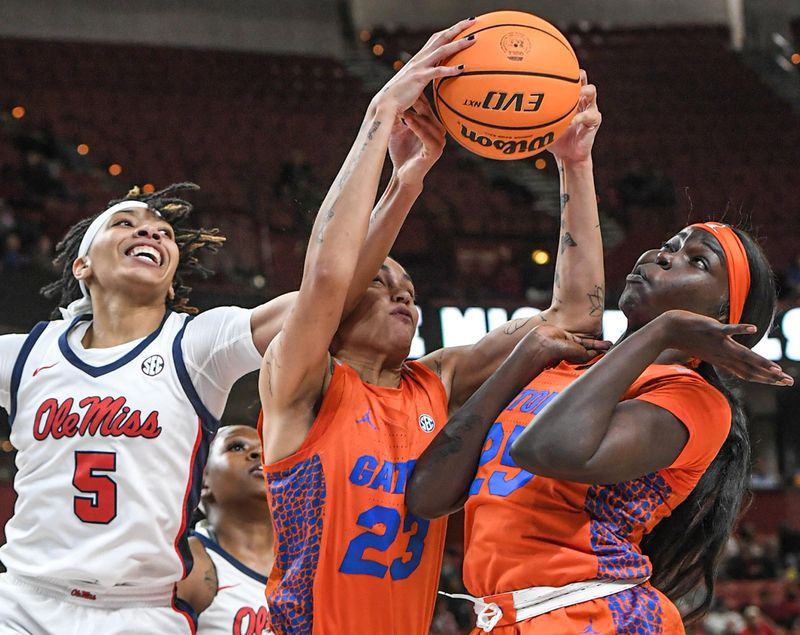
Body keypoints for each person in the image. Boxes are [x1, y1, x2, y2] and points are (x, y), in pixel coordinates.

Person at [0, 76, 455, 633]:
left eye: (163, 232)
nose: (151, 231)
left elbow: (327, 292)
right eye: (125, 223)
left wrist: (403, 184)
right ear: (82, 266)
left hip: (139, 610)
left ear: (171, 283)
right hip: (21, 600)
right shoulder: (22, 356)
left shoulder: (197, 343)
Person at [259, 17, 608, 635]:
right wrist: (387, 135)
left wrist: (574, 164)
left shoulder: (435, 381)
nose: (403, 297)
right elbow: (327, 279)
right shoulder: (300, 381)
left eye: (411, 292)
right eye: (382, 283)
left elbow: (574, 320)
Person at [407, 218, 794, 633]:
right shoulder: (561, 366)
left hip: (597, 615)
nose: (664, 255)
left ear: (722, 318)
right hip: (506, 617)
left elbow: (544, 451)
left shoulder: (692, 398)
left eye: (697, 261)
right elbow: (428, 496)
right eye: (670, 243)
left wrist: (663, 332)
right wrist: (523, 359)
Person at [177, 425, 273, 635]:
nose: (260, 453)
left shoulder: (311, 561)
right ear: (202, 483)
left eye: (267, 446)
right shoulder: (187, 564)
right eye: (237, 447)